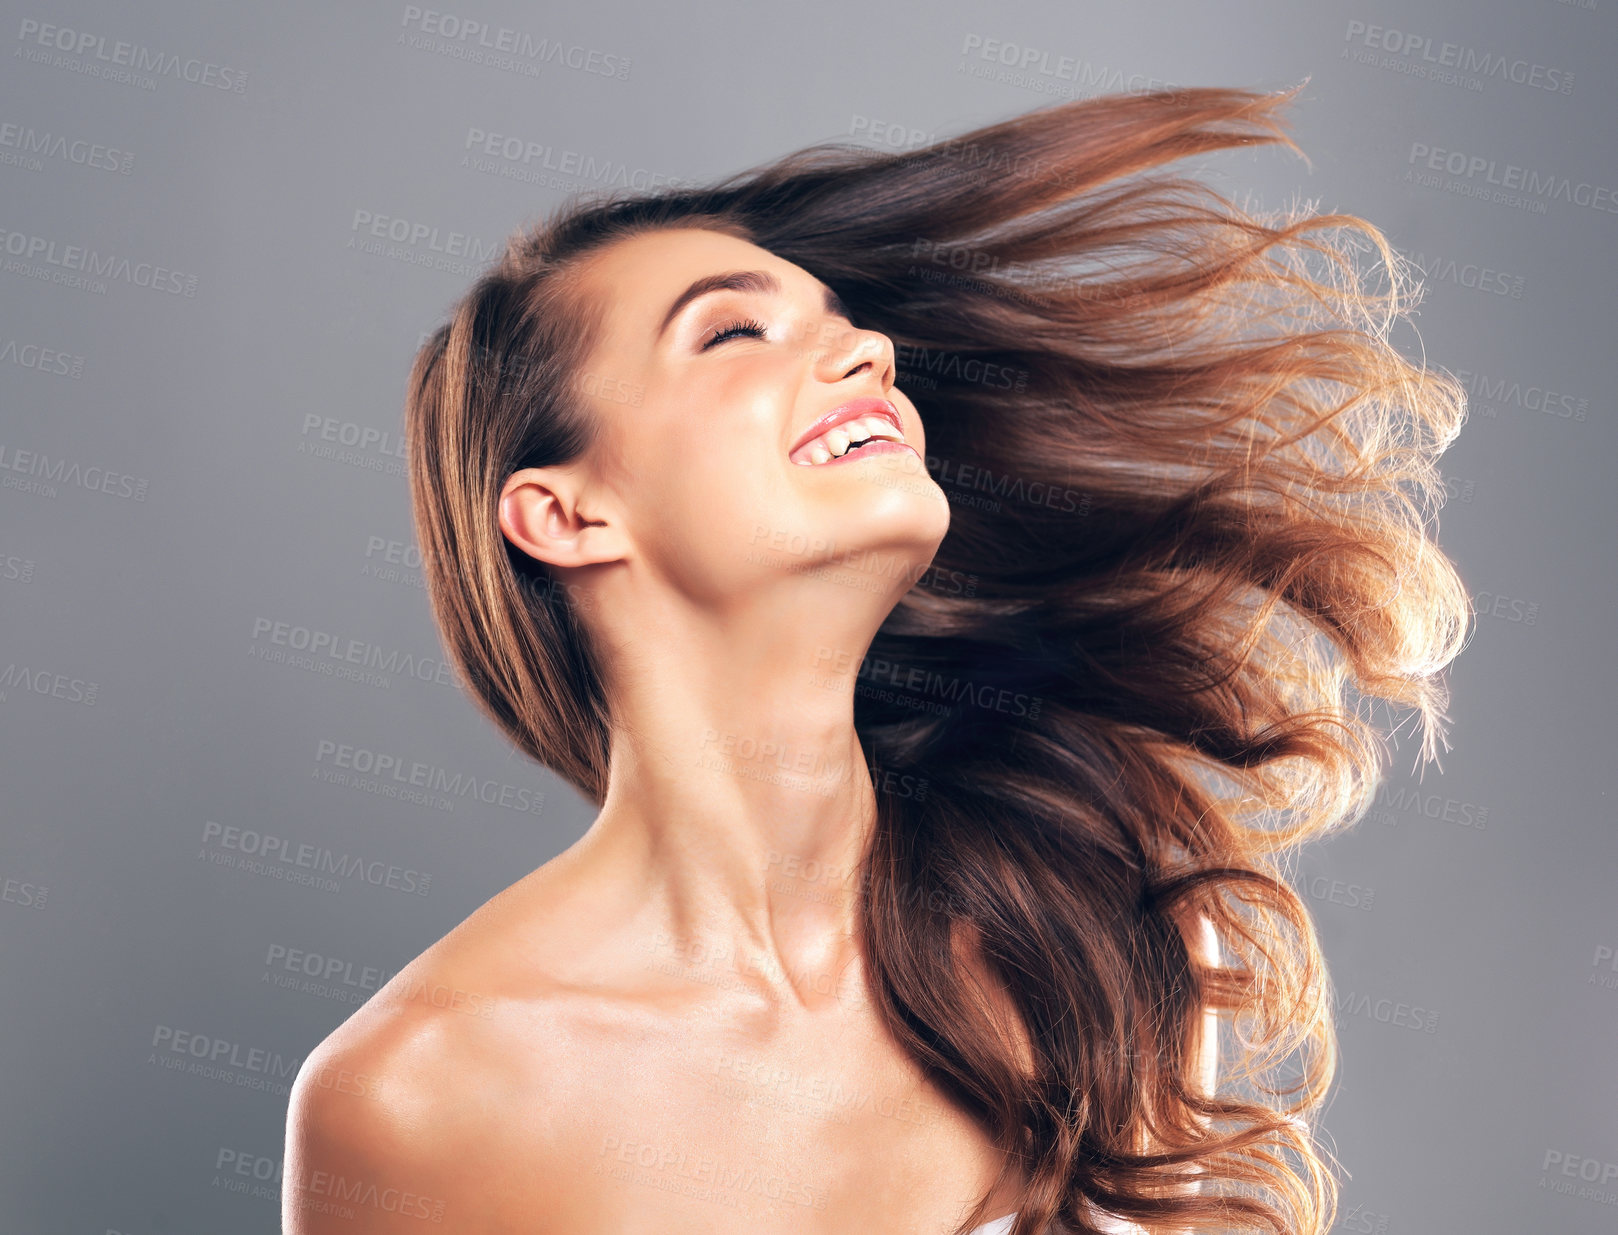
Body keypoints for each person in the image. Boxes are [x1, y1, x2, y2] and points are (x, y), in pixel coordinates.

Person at [282, 84, 1469, 1235]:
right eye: (734, 329)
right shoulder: (416, 1096)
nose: (867, 353)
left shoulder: (1099, 923)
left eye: (844, 322)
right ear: (567, 514)